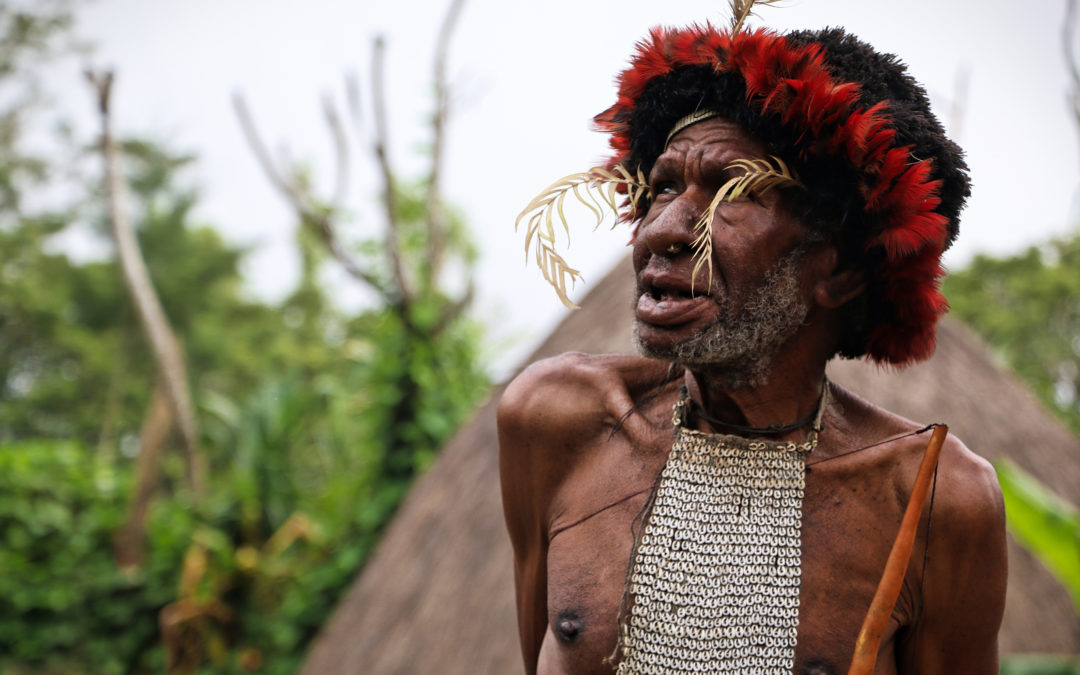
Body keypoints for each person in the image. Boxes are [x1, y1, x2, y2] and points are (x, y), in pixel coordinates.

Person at [497, 16, 1007, 675]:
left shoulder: (937, 499)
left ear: (839, 270)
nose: (666, 230)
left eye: (733, 193)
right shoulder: (553, 420)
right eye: (664, 186)